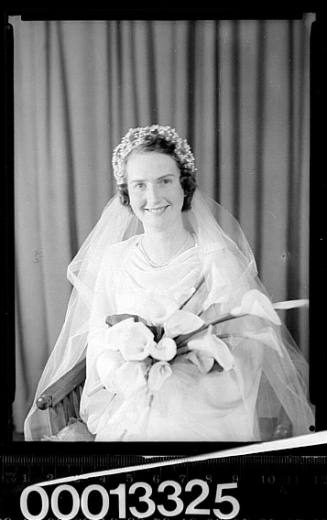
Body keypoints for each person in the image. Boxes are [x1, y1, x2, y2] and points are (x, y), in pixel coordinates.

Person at [24, 125, 314, 442]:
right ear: (126, 192)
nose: (153, 197)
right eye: (139, 186)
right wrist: (132, 377)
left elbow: (247, 350)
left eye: (165, 181)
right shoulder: (115, 259)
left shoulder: (214, 258)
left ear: (184, 186)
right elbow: (99, 343)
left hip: (204, 400)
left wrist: (189, 370)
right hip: (132, 396)